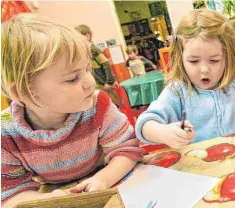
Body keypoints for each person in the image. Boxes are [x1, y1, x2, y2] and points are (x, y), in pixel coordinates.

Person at [1, 14, 145, 208]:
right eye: (72, 78)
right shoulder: (5, 132)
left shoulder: (97, 104)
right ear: (25, 91)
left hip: (108, 181)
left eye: (87, 70)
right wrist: (46, 201)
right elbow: (10, 194)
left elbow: (127, 150)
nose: (90, 82)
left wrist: (103, 179)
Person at [135, 9, 235, 148]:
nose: (204, 69)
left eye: (214, 60)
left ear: (228, 57)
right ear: (180, 59)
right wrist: (164, 132)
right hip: (202, 169)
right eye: (194, 61)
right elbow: (144, 124)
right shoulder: (177, 91)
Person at [74, 24, 120, 105]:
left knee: (113, 104)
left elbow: (105, 63)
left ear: (87, 36)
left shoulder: (93, 49)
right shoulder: (85, 51)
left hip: (104, 83)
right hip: (98, 83)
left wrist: (108, 82)